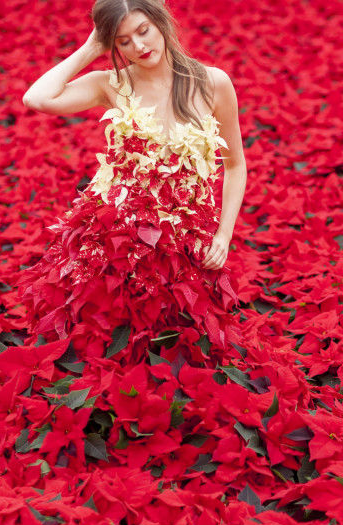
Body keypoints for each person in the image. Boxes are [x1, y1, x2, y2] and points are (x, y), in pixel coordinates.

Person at [18, 0, 247, 365]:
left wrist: (223, 235)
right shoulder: (111, 84)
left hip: (185, 245)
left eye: (143, 31)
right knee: (109, 353)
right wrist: (94, 46)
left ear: (161, 21)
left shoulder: (212, 82)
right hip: (114, 243)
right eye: (123, 41)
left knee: (180, 352)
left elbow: (235, 165)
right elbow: (37, 99)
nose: (139, 46)